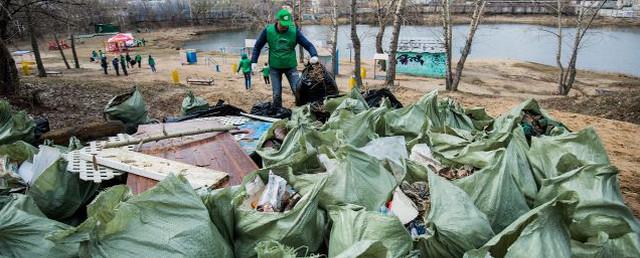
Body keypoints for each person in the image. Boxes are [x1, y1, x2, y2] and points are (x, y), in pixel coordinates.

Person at [251, 8, 318, 109]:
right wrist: (254, 61)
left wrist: (314, 55)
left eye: (286, 24)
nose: (284, 27)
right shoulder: (268, 31)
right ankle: (278, 112)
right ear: (277, 20)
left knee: (298, 90)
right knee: (277, 94)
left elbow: (308, 45)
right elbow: (257, 46)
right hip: (274, 67)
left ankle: (303, 112)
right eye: (282, 24)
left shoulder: (294, 32)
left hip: (290, 66)